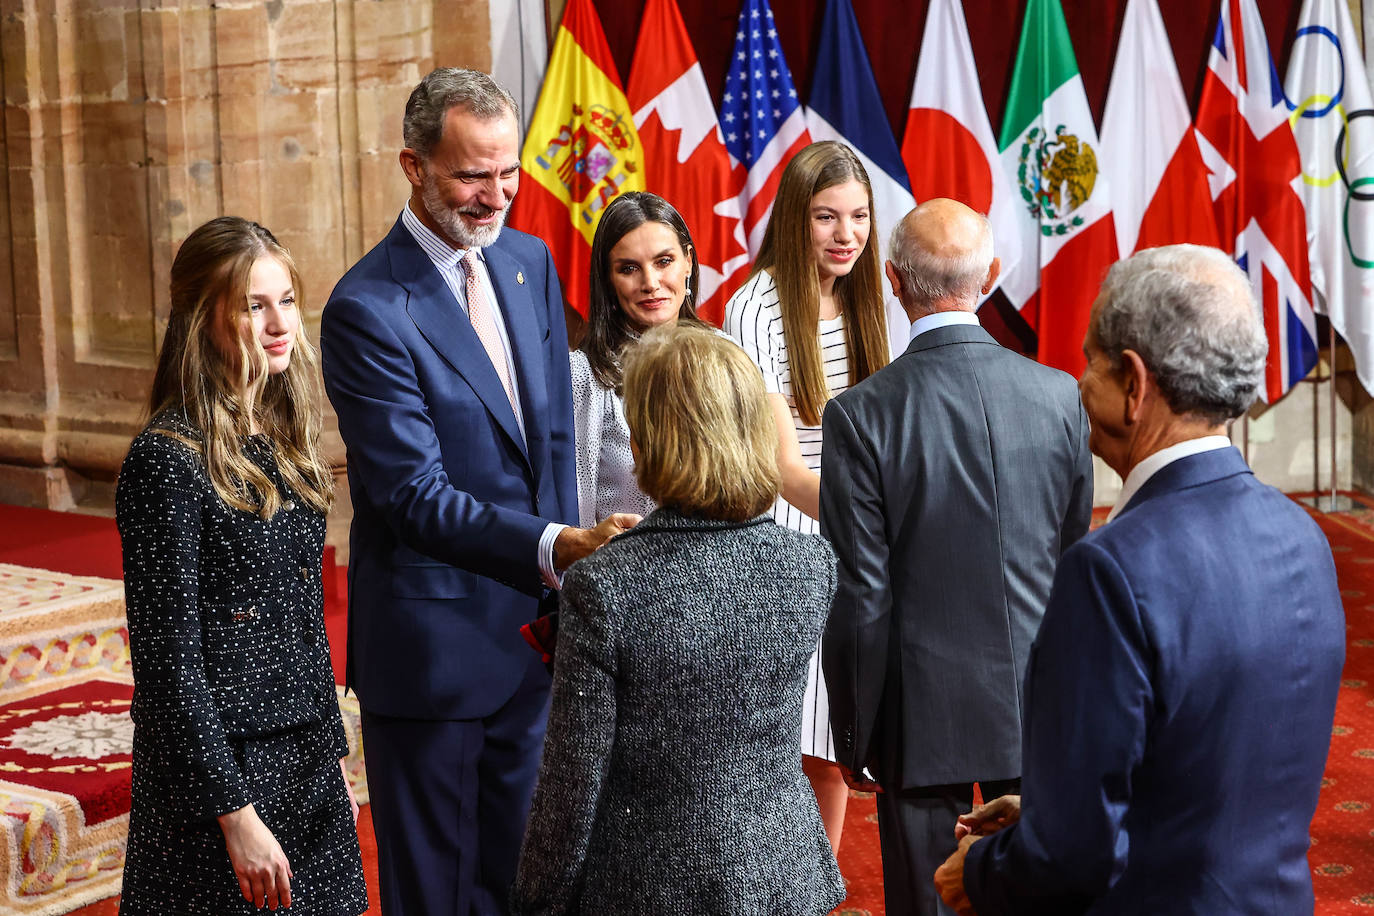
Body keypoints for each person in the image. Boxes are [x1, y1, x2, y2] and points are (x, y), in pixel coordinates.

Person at [935, 244, 1347, 915]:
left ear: (1134, 384)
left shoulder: (1108, 570)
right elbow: (1213, 764)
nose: (1079, 385)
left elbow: (1073, 855)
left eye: (1089, 364)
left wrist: (979, 872)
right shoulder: (1303, 534)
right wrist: (1046, 807)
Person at [319, 69, 635, 914]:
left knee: (528, 885)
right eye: (471, 176)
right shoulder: (367, 308)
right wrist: (557, 546)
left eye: (507, 173)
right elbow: (412, 496)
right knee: (442, 896)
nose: (496, 197)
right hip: (437, 657)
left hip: (538, 644)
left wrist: (569, 587)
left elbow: (552, 442)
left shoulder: (529, 262)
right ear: (413, 166)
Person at [510, 323, 846, 915]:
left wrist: (536, 902)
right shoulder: (810, 563)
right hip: (782, 872)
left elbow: (573, 782)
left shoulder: (604, 586)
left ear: (644, 443)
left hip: (644, 885)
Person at [820, 199, 1092, 916]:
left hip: (919, 719)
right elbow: (1074, 569)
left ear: (891, 280)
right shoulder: (1061, 395)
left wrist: (854, 733)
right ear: (991, 275)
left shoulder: (860, 414)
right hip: (1038, 709)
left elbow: (862, 596)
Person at [116, 216, 365, 914]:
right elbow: (168, 663)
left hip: (306, 759)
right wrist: (233, 812)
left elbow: (302, 619)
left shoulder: (284, 437)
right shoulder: (168, 460)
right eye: (254, 306)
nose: (279, 324)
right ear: (205, 320)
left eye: (286, 300)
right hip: (224, 774)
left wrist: (332, 758)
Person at [723, 140, 891, 853]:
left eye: (859, 216)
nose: (846, 234)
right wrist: (879, 526)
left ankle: (818, 887)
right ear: (796, 218)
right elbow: (784, 470)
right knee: (790, 730)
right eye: (827, 217)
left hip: (853, 520)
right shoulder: (755, 306)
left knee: (836, 735)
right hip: (789, 531)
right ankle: (774, 883)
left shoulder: (867, 294)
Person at [573, 191, 707, 526]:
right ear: (608, 279)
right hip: (620, 557)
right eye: (629, 268)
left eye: (664, 262)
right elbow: (577, 516)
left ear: (688, 262)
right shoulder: (584, 375)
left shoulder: (727, 357)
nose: (650, 283)